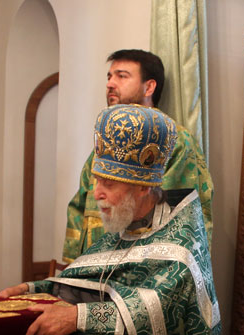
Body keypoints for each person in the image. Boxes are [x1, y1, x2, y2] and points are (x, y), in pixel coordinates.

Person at [0, 104, 223, 335]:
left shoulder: (182, 242)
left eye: (109, 183)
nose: (96, 192)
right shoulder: (128, 223)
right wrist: (34, 290)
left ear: (145, 185)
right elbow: (93, 277)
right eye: (97, 179)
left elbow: (156, 307)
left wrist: (77, 318)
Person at [62, 49, 213, 263]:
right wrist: (71, 267)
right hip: (90, 266)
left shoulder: (175, 142)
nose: (110, 84)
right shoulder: (106, 139)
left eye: (122, 76)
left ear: (149, 87)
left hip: (139, 269)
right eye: (109, 76)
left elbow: (181, 218)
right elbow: (80, 206)